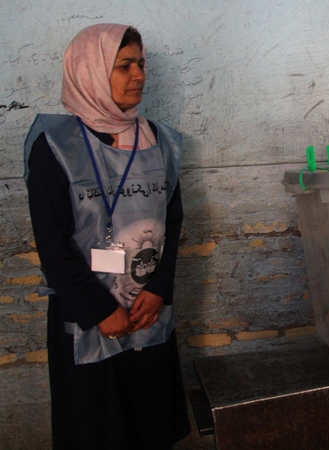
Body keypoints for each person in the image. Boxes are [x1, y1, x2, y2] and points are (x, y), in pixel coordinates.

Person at [24, 24, 190, 449]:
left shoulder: (157, 140)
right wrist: (99, 310)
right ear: (91, 71)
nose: (138, 75)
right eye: (123, 66)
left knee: (149, 421)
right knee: (97, 427)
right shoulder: (55, 146)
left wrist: (159, 290)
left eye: (141, 64)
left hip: (147, 311)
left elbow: (173, 218)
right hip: (88, 316)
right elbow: (53, 243)